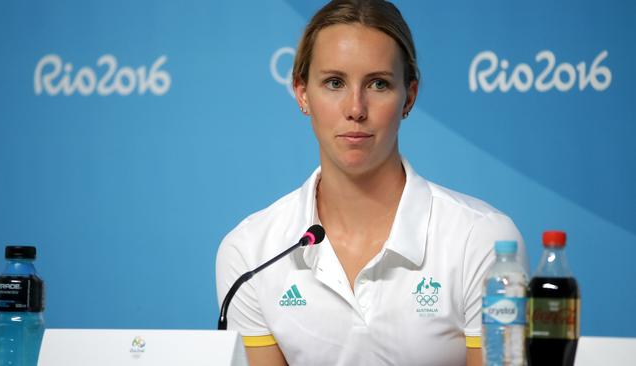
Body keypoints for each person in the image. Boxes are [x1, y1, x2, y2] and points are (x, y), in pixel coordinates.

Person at [216, 1, 527, 365]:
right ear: (302, 93)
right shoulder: (252, 252)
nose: (356, 108)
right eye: (334, 83)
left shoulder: (483, 241)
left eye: (378, 84)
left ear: (409, 96)